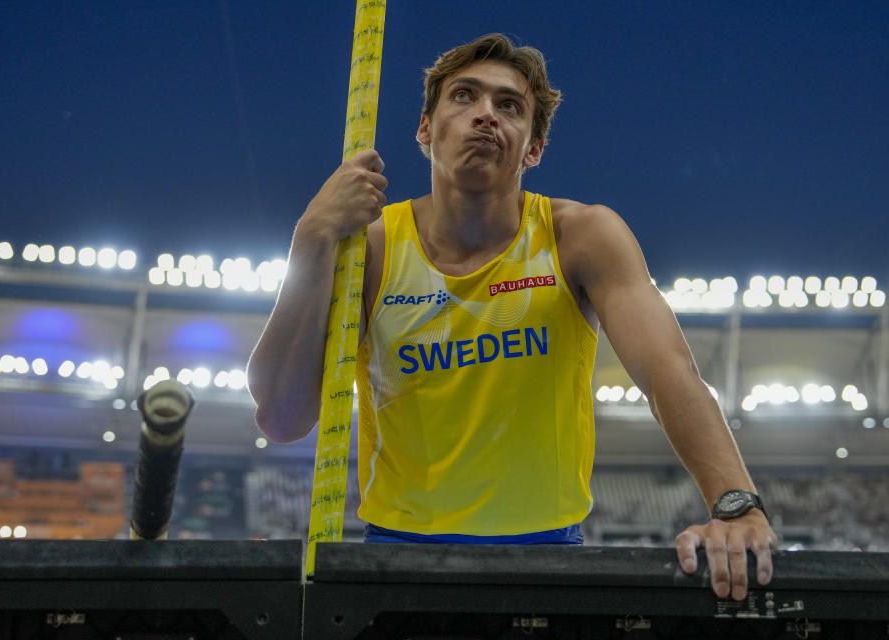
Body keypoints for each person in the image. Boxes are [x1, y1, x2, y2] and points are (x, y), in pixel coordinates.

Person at [247, 33, 777, 601]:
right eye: (463, 97)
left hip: (547, 558)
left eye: (509, 106)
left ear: (534, 148)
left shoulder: (579, 237)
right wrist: (311, 239)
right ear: (425, 130)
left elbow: (669, 373)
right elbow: (281, 417)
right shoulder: (369, 252)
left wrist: (735, 503)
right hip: (399, 559)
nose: (485, 116)